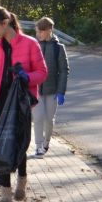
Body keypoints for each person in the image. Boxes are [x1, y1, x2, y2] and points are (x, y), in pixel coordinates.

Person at [0, 7, 48, 202]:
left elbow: (42, 72)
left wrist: (27, 77)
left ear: (5, 23)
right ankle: (5, 193)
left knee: (18, 143)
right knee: (2, 145)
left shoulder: (30, 43)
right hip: (0, 103)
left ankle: (22, 179)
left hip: (20, 102)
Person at [32, 16, 70, 158]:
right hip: (35, 90)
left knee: (49, 119)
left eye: (40, 32)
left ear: (49, 30)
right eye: (37, 32)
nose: (38, 35)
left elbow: (64, 70)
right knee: (38, 118)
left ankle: (46, 142)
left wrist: (61, 91)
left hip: (52, 91)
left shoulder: (58, 48)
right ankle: (38, 146)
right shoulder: (34, 46)